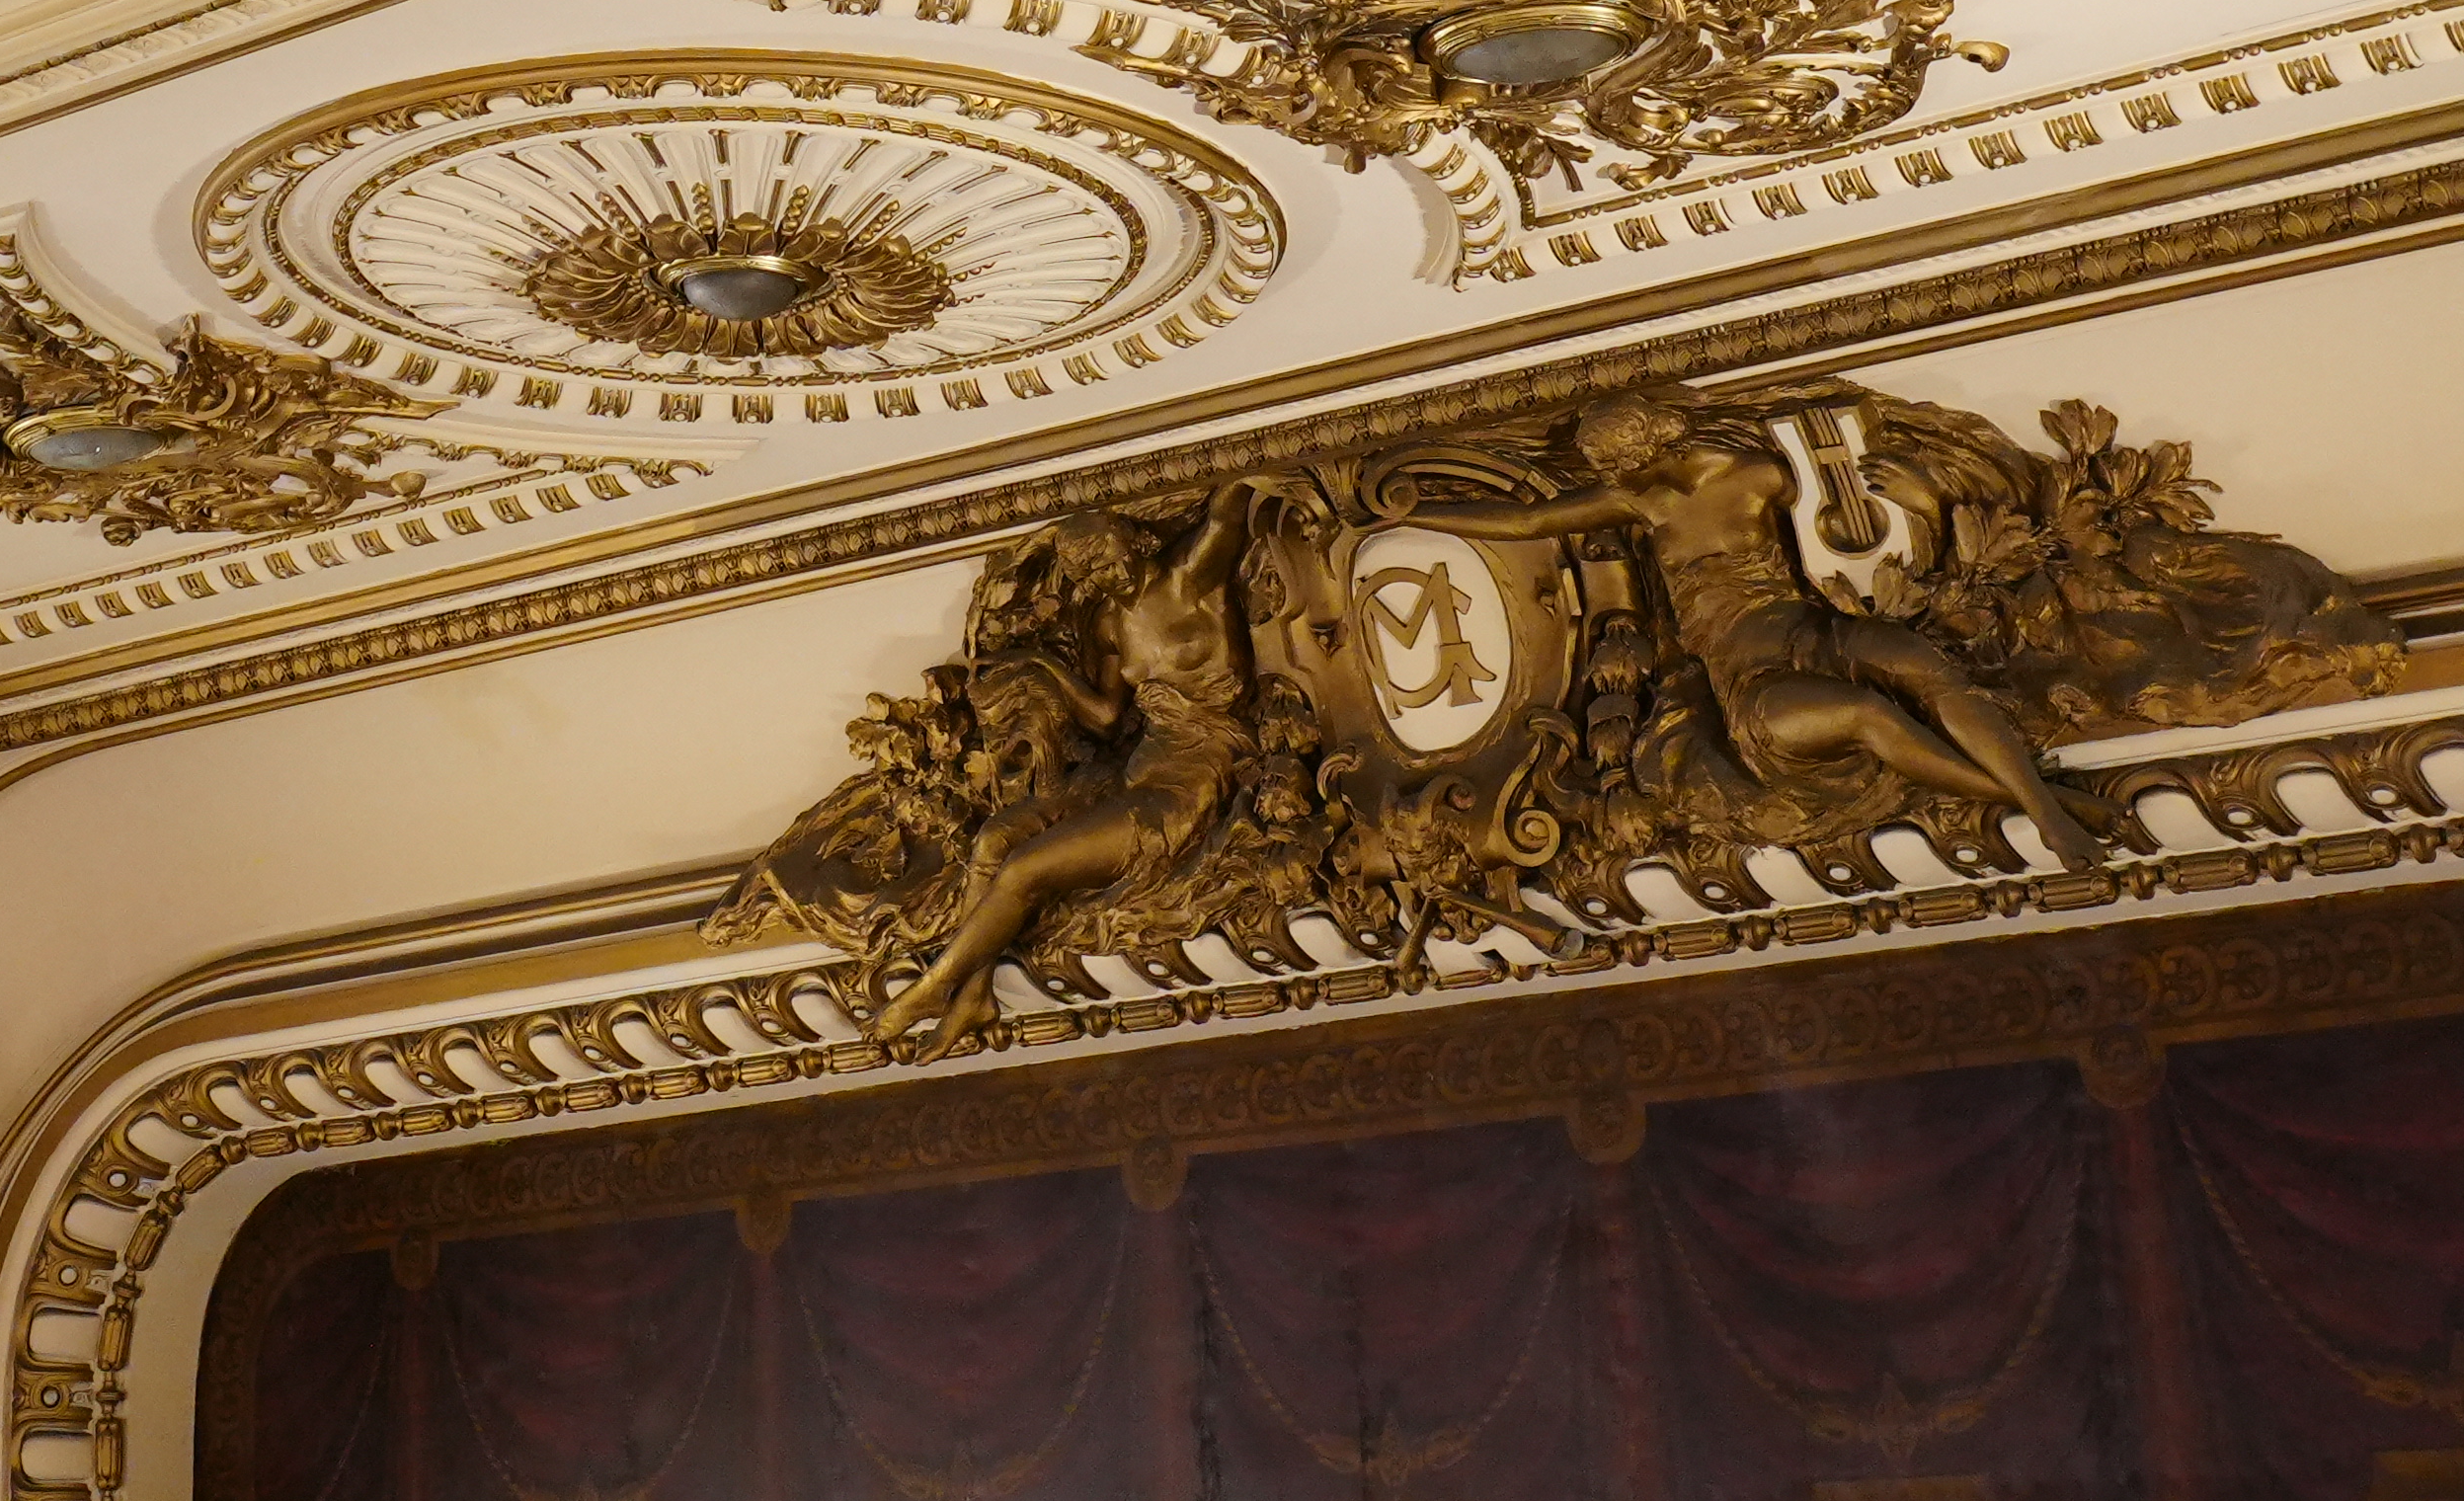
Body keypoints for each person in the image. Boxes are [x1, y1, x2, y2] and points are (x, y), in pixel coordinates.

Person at [1413, 392, 2108, 867]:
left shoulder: (1758, 473)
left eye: (1616, 460)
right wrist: (1415, 516)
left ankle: (2041, 804)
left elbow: (1849, 515)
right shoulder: (1639, 498)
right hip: (1752, 676)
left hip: (1817, 630)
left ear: (1651, 443)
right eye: (1605, 469)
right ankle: (2045, 808)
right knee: (1866, 713)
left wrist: (1919, 501)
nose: (1610, 475)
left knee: (1934, 672)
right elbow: (1528, 522)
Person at [867, 480, 1256, 1056]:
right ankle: (974, 993)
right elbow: (1104, 718)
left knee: (1027, 871)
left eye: (1104, 558)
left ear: (1131, 540)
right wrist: (1039, 665)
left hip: (1195, 773)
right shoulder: (1108, 625)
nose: (1104, 577)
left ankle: (934, 985)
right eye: (1090, 573)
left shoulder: (1189, 579)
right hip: (1136, 767)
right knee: (996, 838)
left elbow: (1232, 504)